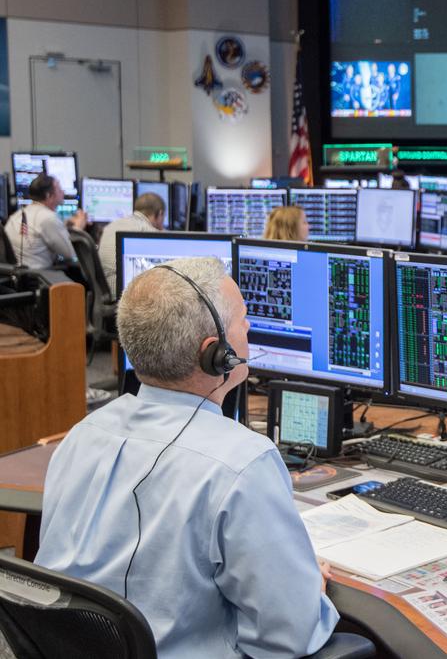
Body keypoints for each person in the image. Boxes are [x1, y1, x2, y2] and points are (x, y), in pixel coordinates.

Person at [35, 258, 338, 657]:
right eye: (243, 319)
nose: (249, 328)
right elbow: (289, 635)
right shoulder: (243, 463)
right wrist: (307, 589)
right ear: (216, 354)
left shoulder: (83, 435)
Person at [3, 173, 86, 270]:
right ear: (48, 196)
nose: (63, 192)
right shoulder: (48, 218)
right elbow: (71, 254)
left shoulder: (16, 215)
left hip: (19, 278)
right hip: (40, 279)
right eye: (59, 189)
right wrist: (78, 227)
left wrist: (65, 225)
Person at [100, 191, 166, 296]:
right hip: (125, 294)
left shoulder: (112, 225)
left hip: (106, 290)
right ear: (160, 213)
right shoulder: (146, 230)